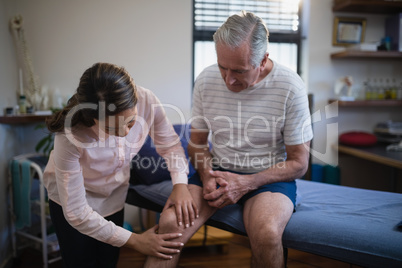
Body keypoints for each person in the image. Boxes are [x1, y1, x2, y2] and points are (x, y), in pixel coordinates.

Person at [144, 11, 313, 268]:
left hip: (267, 178)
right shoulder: (206, 80)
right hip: (218, 172)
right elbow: (198, 143)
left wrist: (247, 182)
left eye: (239, 71)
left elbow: (299, 163)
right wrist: (206, 172)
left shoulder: (291, 87)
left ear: (263, 59)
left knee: (266, 234)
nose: (228, 79)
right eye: (223, 67)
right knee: (169, 224)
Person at [43, 62, 198, 268]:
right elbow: (78, 213)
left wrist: (180, 184)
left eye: (131, 122)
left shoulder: (147, 100)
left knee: (108, 261)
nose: (126, 133)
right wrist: (137, 240)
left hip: (113, 195)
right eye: (110, 128)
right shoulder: (70, 136)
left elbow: (169, 145)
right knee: (81, 262)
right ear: (91, 118)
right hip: (70, 202)